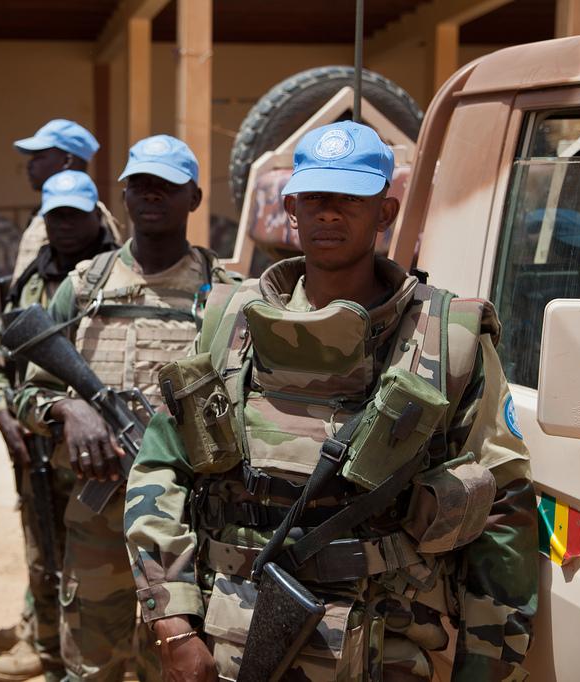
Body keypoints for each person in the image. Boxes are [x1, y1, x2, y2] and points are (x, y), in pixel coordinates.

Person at [123, 122, 539, 681]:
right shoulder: (230, 323)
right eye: (316, 197)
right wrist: (172, 621)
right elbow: (160, 469)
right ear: (291, 207)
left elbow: (503, 505)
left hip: (392, 644)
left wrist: (488, 668)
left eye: (350, 198)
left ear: (385, 213)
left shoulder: (448, 337)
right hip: (233, 638)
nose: (329, 213)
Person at [14, 135, 235, 682]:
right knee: (93, 666)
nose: (151, 194)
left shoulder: (225, 293)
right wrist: (70, 411)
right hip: (96, 516)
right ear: (124, 197)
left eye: (166, 184)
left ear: (195, 197)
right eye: (139, 184)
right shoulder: (85, 284)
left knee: (182, 662)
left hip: (189, 519)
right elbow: (26, 393)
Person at [0, 170, 119, 682]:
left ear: (94, 215)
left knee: (107, 563)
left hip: (106, 451)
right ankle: (45, 646)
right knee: (43, 551)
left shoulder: (112, 274)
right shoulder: (30, 283)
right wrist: (3, 412)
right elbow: (1, 364)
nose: (63, 225)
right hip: (41, 443)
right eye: (53, 215)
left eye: (73, 214)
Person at [11, 118, 125, 280]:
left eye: (39, 157)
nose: (29, 165)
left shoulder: (90, 215)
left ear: (67, 161)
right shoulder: (43, 213)